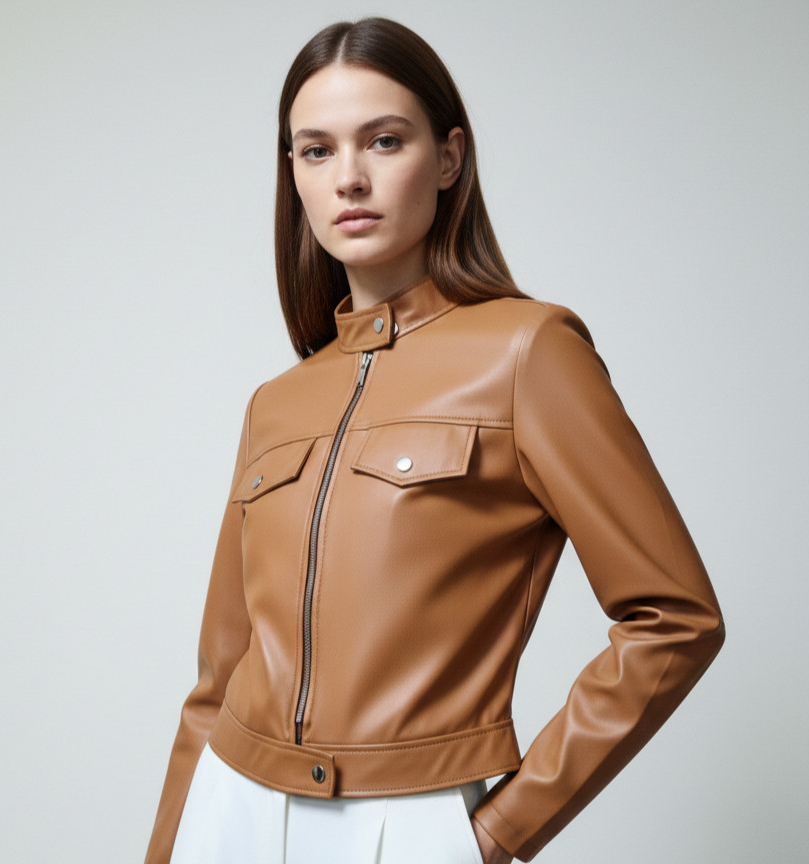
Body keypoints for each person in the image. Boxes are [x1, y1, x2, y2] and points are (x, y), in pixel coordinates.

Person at [145, 17, 724, 864]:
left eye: (384, 140)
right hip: (226, 810)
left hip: (406, 822)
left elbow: (674, 618)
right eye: (316, 150)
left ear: (449, 157)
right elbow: (216, 680)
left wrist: (492, 834)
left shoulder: (529, 353)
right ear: (292, 173)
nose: (349, 177)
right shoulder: (276, 403)